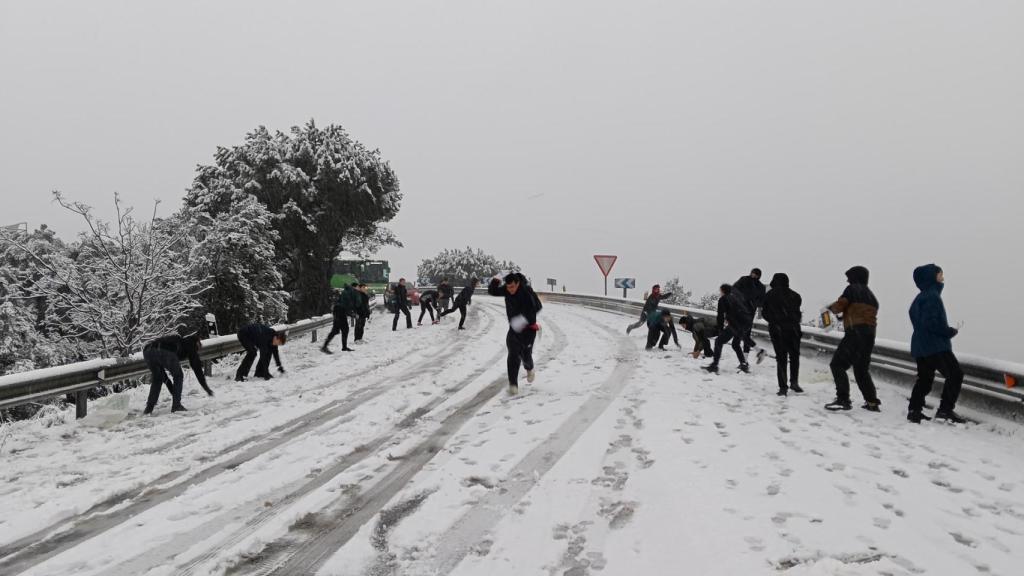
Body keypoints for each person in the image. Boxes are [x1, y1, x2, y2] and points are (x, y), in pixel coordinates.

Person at [907, 264, 966, 424]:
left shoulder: (920, 297)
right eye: (940, 273)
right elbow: (932, 324)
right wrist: (950, 331)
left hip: (920, 345)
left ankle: (914, 410)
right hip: (935, 346)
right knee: (955, 374)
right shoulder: (932, 296)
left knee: (925, 379)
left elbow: (919, 320)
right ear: (932, 276)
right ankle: (945, 410)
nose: (942, 276)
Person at [824, 266, 881, 412]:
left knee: (837, 364)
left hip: (855, 333)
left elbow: (841, 305)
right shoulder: (871, 296)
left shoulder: (852, 289)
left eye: (849, 277)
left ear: (855, 277)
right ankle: (872, 402)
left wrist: (830, 308)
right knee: (861, 369)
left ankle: (843, 399)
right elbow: (859, 311)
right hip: (869, 335)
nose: (847, 280)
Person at [488, 273, 543, 395]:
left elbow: (537, 307)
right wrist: (496, 279)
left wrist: (522, 320)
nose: (510, 290)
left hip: (528, 330)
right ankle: (513, 385)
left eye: (512, 287)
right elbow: (493, 291)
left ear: (517, 283)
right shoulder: (507, 290)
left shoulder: (527, 292)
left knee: (525, 356)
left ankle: (529, 368)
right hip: (514, 330)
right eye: (508, 287)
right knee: (513, 354)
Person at [142, 333, 212, 414]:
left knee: (158, 378)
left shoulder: (178, 341)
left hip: (148, 350)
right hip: (164, 351)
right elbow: (197, 370)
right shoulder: (191, 344)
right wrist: (206, 388)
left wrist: (172, 389)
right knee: (178, 375)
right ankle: (176, 406)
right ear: (196, 342)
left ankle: (149, 408)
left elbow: (163, 376)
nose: (200, 346)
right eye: (200, 344)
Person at [762, 273, 804, 396]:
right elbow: (798, 314)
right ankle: (794, 382)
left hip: (777, 330)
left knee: (781, 358)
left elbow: (765, 313)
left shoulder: (770, 295)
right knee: (794, 357)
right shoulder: (796, 296)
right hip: (794, 330)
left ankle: (783, 387)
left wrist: (775, 321)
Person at [704, 284, 753, 374]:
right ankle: (744, 364)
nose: (720, 292)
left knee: (718, 341)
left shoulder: (723, 299)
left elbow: (720, 316)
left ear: (722, 291)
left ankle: (714, 365)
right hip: (745, 323)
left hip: (735, 325)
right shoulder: (735, 298)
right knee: (735, 344)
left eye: (720, 290)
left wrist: (720, 329)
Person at [733, 268, 767, 359]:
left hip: (749, 314)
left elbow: (761, 302)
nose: (754, 275)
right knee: (739, 336)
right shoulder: (743, 280)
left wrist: (752, 302)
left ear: (759, 276)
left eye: (756, 274)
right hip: (738, 311)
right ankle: (758, 352)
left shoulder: (761, 287)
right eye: (753, 273)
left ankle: (745, 360)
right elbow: (733, 289)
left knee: (745, 335)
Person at [322, 283, 356, 353]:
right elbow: (346, 306)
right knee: (339, 330)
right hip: (340, 312)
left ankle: (343, 347)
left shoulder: (347, 292)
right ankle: (325, 347)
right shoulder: (348, 293)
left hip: (338, 311)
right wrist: (352, 314)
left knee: (341, 330)